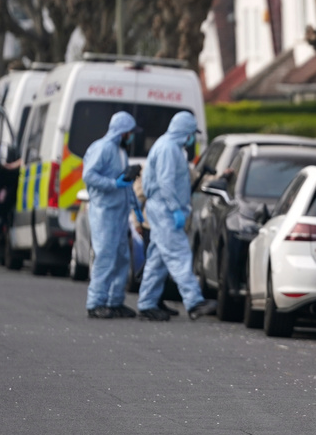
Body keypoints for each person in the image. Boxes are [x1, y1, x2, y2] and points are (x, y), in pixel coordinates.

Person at [136, 111, 216, 321]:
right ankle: (194, 302)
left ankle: (147, 303)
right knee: (179, 254)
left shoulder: (170, 147)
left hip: (163, 208)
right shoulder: (168, 149)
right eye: (191, 132)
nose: (192, 137)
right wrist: (174, 209)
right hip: (165, 209)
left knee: (157, 259)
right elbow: (166, 182)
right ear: (185, 131)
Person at [82, 111, 141, 319]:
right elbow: (88, 175)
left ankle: (114, 302)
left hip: (119, 213)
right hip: (105, 212)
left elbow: (125, 184)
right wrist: (112, 184)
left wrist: (136, 208)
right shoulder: (103, 148)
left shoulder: (119, 151)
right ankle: (95, 303)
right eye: (131, 132)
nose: (132, 136)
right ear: (123, 131)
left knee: (122, 258)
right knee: (105, 258)